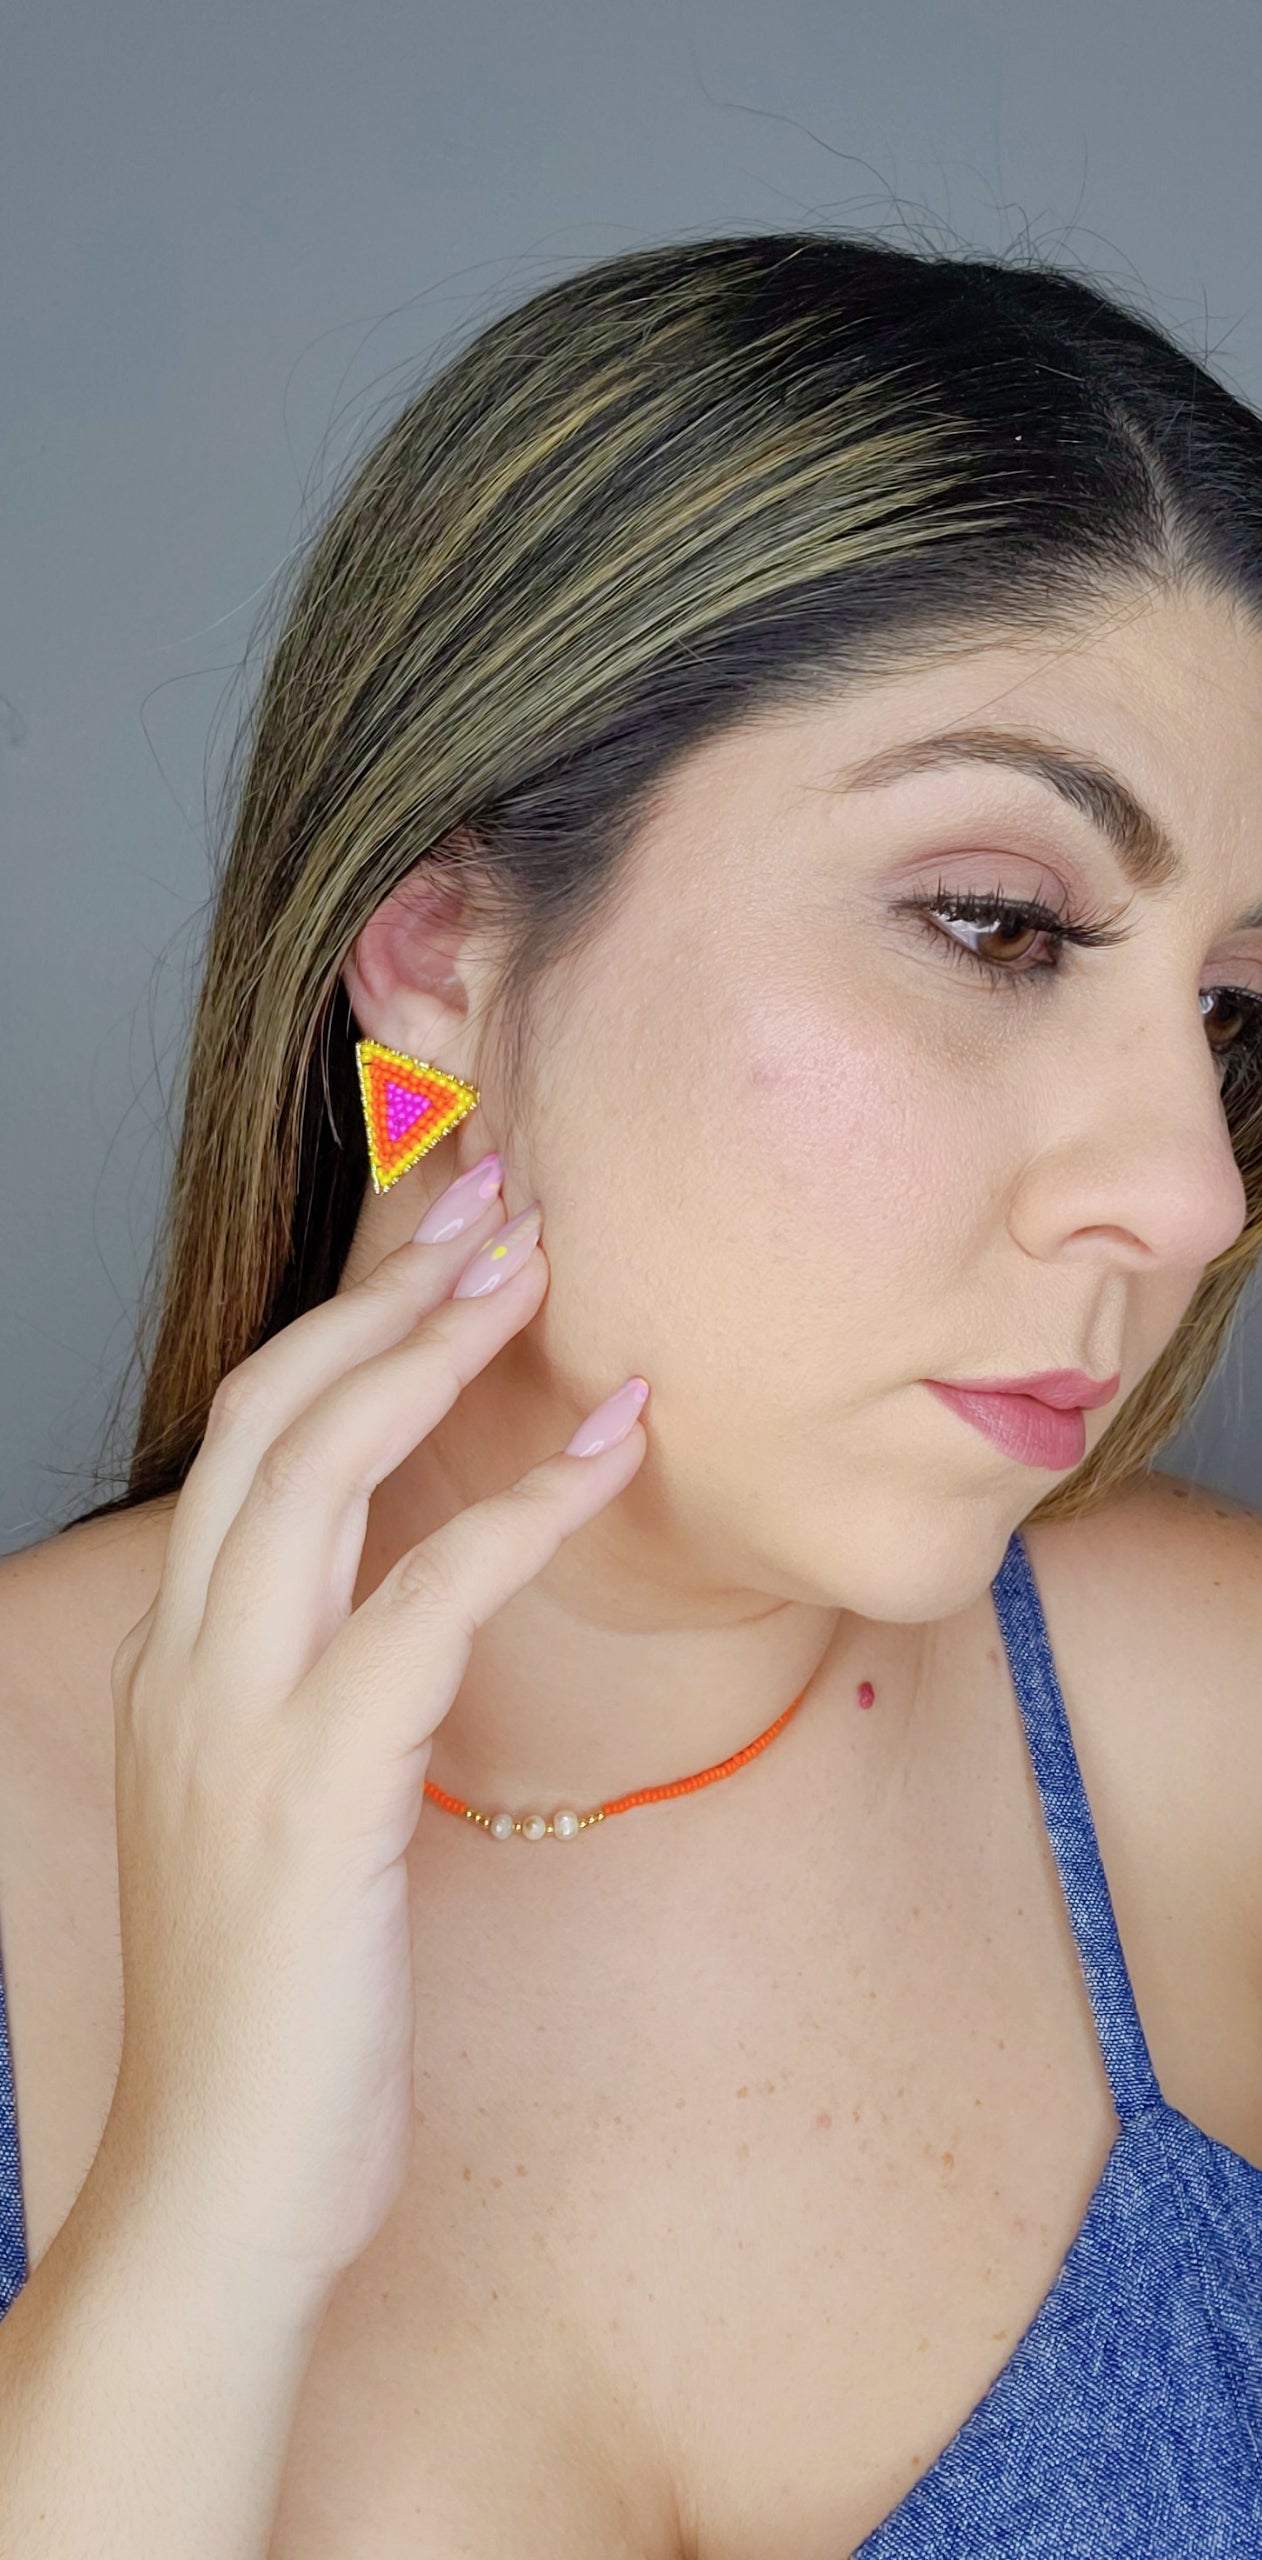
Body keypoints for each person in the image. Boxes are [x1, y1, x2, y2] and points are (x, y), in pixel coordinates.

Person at [0, 227, 1260, 2558]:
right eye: (999, 922)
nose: (1189, 1190)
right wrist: (200, 2225)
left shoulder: (1212, 1739)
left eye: (1230, 1014)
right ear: (443, 943)